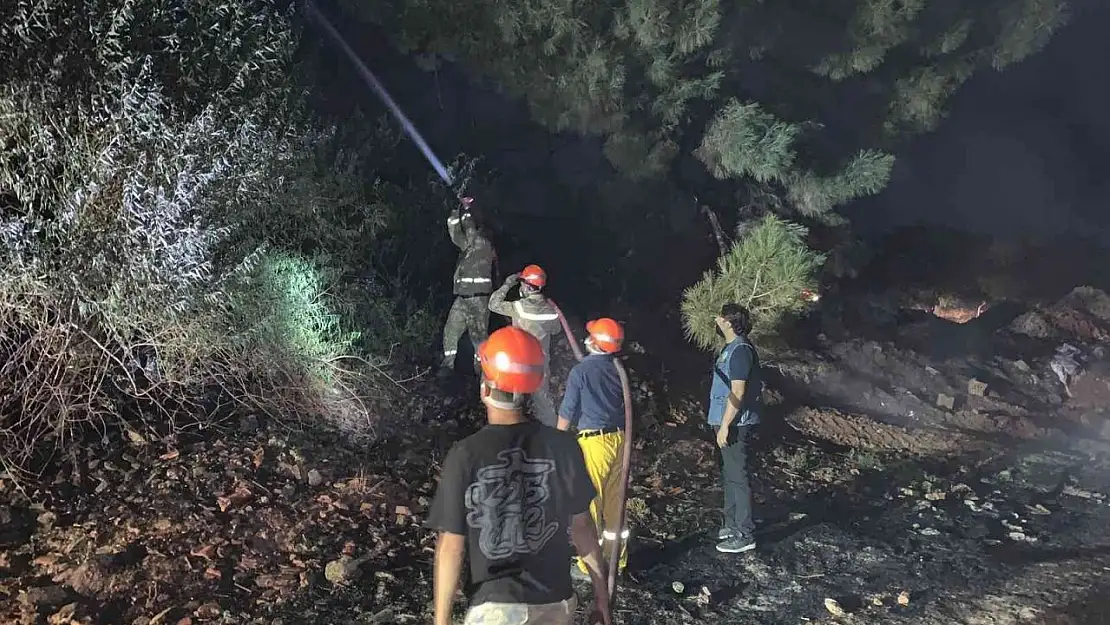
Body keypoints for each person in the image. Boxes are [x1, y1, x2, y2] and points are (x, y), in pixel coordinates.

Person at [426, 326, 612, 625]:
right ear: (532, 388)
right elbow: (583, 529)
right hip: (556, 603)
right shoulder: (564, 447)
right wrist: (602, 600)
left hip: (496, 608)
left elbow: (451, 547)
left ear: (484, 388)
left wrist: (441, 621)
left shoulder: (465, 454)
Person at [556, 318, 630, 579]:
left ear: (594, 341)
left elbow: (568, 410)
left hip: (595, 443)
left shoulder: (581, 372)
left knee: (589, 505)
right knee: (615, 503)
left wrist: (558, 440)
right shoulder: (617, 369)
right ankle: (615, 561)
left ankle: (589, 566)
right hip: (621, 441)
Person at [707, 303, 762, 554]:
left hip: (736, 423)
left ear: (728, 322)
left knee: (738, 477)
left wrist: (726, 426)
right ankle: (731, 524)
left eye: (721, 317)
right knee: (729, 474)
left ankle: (744, 532)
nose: (716, 320)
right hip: (726, 421)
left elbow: (737, 391)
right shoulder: (730, 348)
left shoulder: (740, 350)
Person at [488, 264, 563, 426]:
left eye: (522, 283)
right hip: (540, 367)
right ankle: (554, 435)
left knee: (512, 405)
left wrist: (508, 284)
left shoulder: (519, 307)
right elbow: (556, 330)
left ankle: (512, 433)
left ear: (528, 286)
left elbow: (493, 304)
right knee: (543, 403)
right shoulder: (551, 311)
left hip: (517, 367)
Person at [440, 198, 497, 377]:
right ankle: (447, 366)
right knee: (450, 331)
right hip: (463, 298)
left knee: (479, 339)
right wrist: (457, 210)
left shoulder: (482, 244)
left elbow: (464, 231)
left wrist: (464, 208)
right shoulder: (472, 246)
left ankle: (482, 373)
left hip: (478, 300)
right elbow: (459, 232)